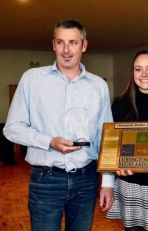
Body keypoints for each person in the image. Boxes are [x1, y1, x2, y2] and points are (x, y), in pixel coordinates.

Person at [2, 19, 114, 231]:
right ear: (53, 44)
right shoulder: (32, 79)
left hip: (86, 179)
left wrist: (107, 183)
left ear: (84, 45)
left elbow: (106, 137)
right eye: (60, 42)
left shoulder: (98, 86)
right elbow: (12, 127)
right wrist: (49, 142)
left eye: (73, 42)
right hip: (46, 180)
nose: (66, 50)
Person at [105, 49, 148, 231]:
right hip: (130, 184)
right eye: (138, 69)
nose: (143, 75)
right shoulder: (119, 104)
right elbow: (111, 146)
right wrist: (114, 165)